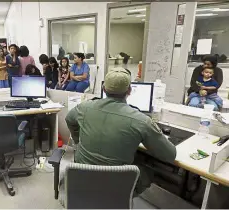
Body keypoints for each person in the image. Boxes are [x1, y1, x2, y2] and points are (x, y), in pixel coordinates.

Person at [60, 69, 177, 206]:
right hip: (117, 187)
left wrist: (78, 139)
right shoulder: (141, 120)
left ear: (104, 88)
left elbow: (69, 119)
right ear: (129, 91)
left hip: (83, 180)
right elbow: (170, 155)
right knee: (148, 170)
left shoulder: (85, 107)